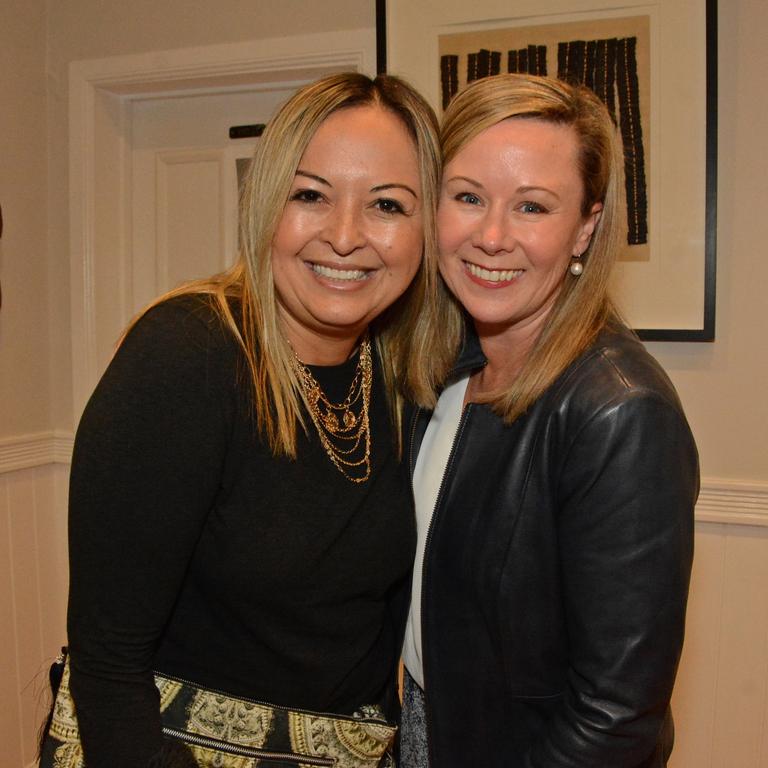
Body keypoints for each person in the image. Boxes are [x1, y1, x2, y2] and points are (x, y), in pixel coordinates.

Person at [42, 72, 442, 768]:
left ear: (427, 227)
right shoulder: (189, 354)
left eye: (386, 204)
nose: (345, 237)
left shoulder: (404, 375)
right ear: (264, 205)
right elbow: (108, 664)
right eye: (310, 195)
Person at [400, 73, 699, 767]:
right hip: (428, 729)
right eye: (468, 196)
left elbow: (616, 717)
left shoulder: (620, 411)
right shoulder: (441, 372)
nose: (492, 236)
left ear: (586, 227)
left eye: (532, 207)